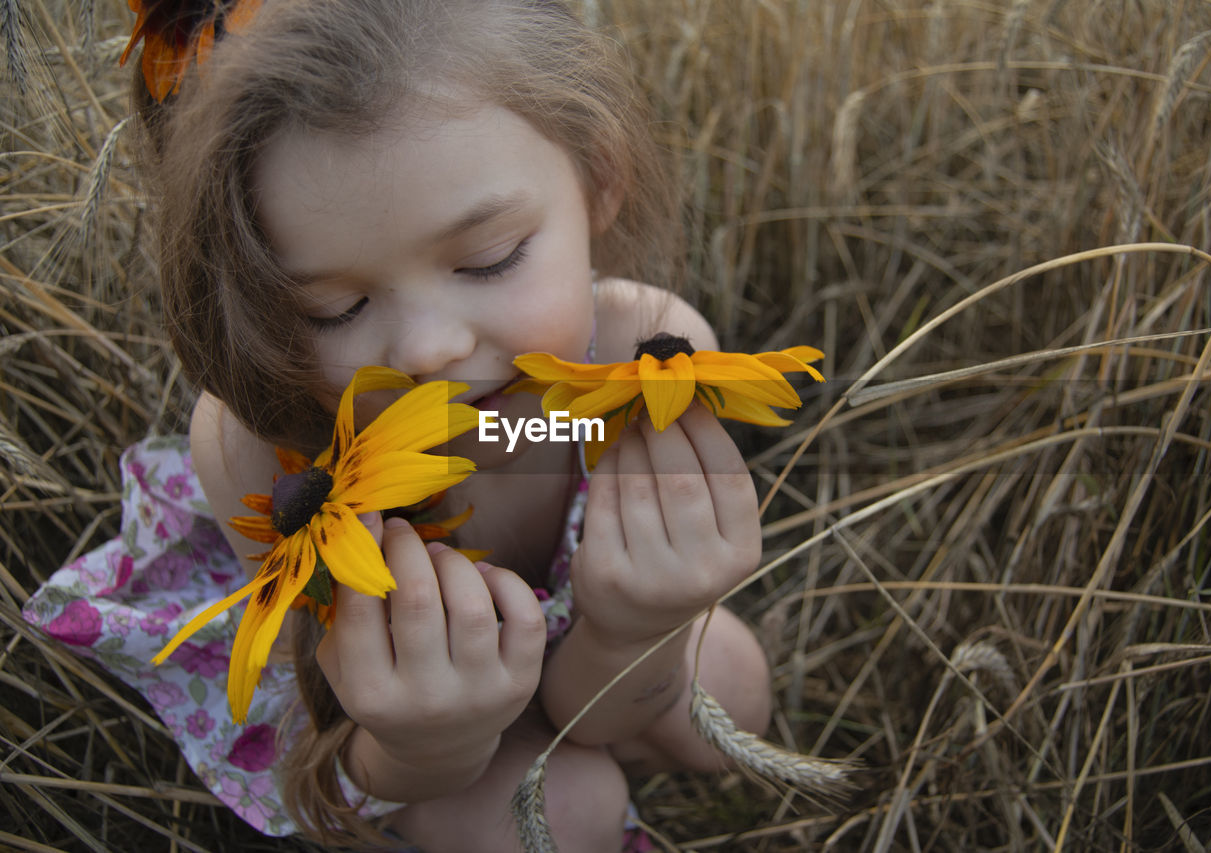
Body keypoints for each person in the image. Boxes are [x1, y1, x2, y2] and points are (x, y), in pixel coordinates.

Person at [26, 1, 772, 850]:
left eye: (489, 258)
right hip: (401, 712)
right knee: (561, 815)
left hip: (606, 655)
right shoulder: (260, 453)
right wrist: (427, 740)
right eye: (334, 308)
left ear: (598, 177)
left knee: (734, 688)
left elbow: (609, 694)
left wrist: (640, 628)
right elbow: (342, 749)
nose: (430, 348)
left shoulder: (649, 364)